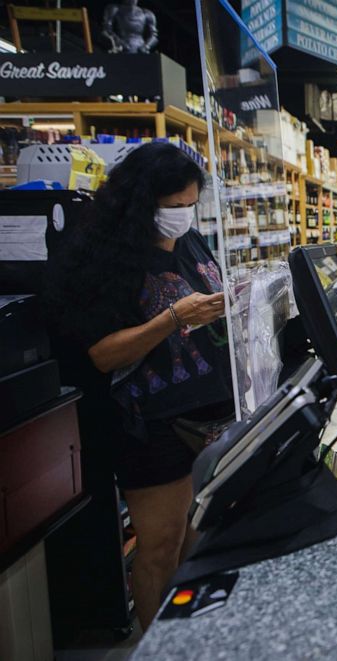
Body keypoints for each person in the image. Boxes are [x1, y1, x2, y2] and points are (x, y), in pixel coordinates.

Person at [48, 143, 232, 629]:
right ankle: (154, 646)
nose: (183, 216)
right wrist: (172, 318)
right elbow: (102, 353)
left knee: (199, 538)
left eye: (191, 205)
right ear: (141, 204)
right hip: (150, 425)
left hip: (209, 414)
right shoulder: (106, 259)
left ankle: (190, 639)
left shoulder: (190, 241)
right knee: (160, 547)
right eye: (174, 207)